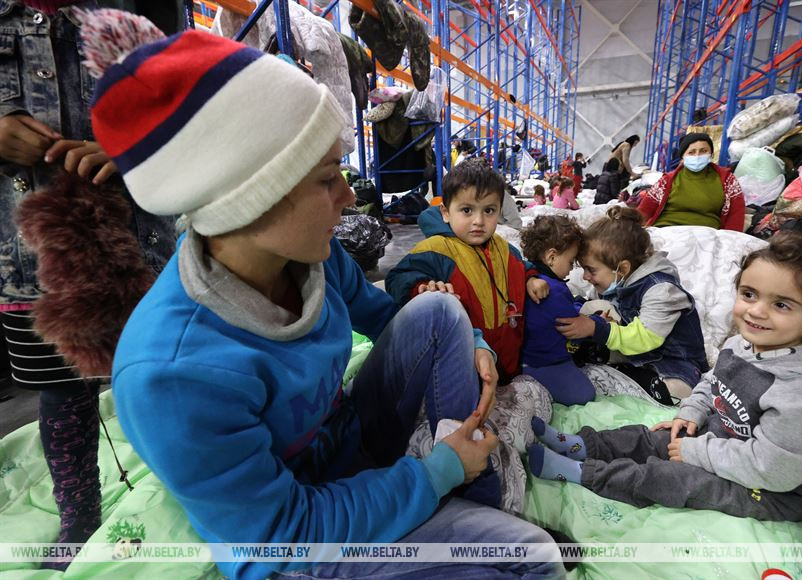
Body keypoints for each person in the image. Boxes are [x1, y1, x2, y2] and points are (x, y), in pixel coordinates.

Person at [80, 11, 563, 579]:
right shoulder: (173, 372)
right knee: (526, 562)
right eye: (328, 177)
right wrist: (434, 474)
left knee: (440, 311)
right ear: (252, 198)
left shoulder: (312, 255)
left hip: (346, 446)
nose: (349, 199)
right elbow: (283, 535)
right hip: (300, 534)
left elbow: (389, 316)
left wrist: (474, 340)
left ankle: (468, 485)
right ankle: (455, 484)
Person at [0, 1, 175, 567]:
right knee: (61, 394)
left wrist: (132, 149)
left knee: (166, 373)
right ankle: (78, 514)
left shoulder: (127, 23)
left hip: (138, 246)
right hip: (30, 262)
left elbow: (183, 112)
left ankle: (187, 480)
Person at [527, 233, 802, 522]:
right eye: (749, 294)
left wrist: (696, 452)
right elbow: (713, 382)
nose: (756, 311)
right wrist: (691, 413)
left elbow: (770, 469)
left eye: (782, 305)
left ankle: (583, 473)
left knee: (673, 478)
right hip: (726, 442)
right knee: (651, 437)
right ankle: (581, 445)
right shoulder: (743, 343)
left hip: (772, 491)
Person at [387, 160, 550, 384]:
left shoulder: (503, 248)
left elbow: (522, 266)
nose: (479, 221)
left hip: (508, 361)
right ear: (446, 212)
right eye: (466, 210)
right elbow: (397, 278)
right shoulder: (435, 250)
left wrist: (531, 278)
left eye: (489, 211)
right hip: (462, 368)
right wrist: (421, 288)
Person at [555, 207, 709, 404]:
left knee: (678, 391)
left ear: (623, 268)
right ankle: (616, 369)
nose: (585, 277)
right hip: (635, 357)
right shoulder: (612, 283)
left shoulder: (661, 290)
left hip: (673, 362)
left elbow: (644, 337)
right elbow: (594, 307)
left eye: (591, 270)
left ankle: (636, 380)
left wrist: (597, 329)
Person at [520, 215, 595, 406]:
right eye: (570, 262)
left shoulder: (528, 279)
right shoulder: (554, 289)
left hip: (527, 353)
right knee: (586, 395)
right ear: (551, 257)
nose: (571, 270)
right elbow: (573, 327)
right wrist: (595, 319)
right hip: (547, 362)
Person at [638, 132, 746, 231]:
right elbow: (644, 211)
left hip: (706, 236)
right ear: (683, 157)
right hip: (666, 231)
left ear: (711, 154)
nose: (697, 155)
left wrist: (730, 240)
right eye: (691, 152)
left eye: (703, 151)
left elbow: (736, 215)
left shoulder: (727, 180)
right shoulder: (667, 181)